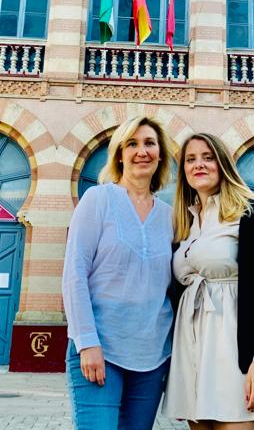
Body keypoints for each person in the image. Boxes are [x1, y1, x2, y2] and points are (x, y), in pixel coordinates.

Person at [62, 115, 176, 430]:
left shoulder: (171, 217)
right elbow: (74, 273)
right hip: (101, 350)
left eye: (150, 143)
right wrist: (86, 342)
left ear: (161, 155)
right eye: (132, 144)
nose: (142, 151)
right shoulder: (97, 200)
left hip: (153, 359)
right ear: (119, 154)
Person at [163, 132, 254, 429]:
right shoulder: (185, 222)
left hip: (234, 345)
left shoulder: (252, 212)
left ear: (223, 163)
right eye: (190, 159)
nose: (198, 165)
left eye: (207, 157)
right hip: (191, 348)